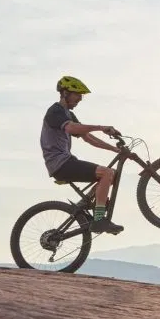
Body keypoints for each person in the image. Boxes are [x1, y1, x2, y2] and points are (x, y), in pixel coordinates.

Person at [40, 76, 124, 234]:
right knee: (107, 173)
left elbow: (87, 137)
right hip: (60, 164)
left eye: (81, 96)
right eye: (77, 94)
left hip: (66, 162)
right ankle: (99, 219)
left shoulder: (68, 114)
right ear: (65, 93)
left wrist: (114, 149)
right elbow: (72, 129)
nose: (79, 98)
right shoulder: (55, 111)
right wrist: (101, 127)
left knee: (111, 175)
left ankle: (89, 205)